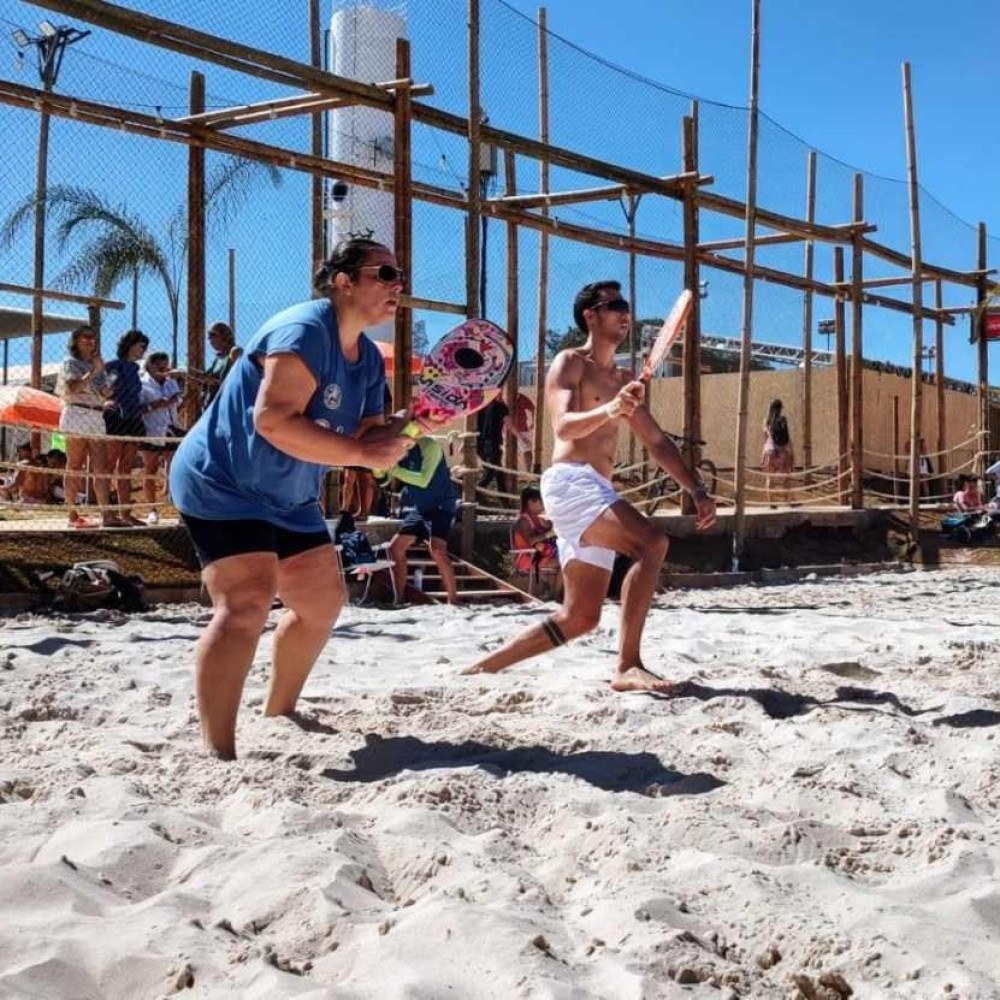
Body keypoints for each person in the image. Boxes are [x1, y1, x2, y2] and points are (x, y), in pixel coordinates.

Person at [169, 237, 416, 759]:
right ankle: (219, 753)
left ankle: (280, 713)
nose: (398, 285)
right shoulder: (305, 329)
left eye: (400, 276)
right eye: (386, 273)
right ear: (344, 282)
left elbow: (367, 442)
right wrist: (363, 452)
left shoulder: (368, 359)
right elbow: (274, 420)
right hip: (223, 481)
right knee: (246, 604)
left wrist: (415, 424)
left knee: (321, 604)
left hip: (289, 493)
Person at [464, 280, 716, 691]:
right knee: (651, 544)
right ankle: (628, 666)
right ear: (591, 316)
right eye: (615, 305)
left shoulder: (623, 378)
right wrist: (612, 408)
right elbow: (562, 425)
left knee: (580, 617)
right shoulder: (570, 362)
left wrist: (697, 489)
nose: (625, 313)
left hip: (596, 488)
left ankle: (482, 669)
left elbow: (656, 441)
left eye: (626, 305)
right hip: (571, 481)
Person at [54, 325, 115, 528]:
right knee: (75, 465)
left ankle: (106, 515)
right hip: (77, 412)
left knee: (101, 467)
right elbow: (72, 387)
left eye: (93, 337)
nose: (90, 341)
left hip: (96, 414)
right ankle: (72, 515)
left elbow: (104, 391)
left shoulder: (97, 364)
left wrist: (108, 391)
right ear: (76, 341)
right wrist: (94, 371)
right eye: (85, 337)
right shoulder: (70, 362)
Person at [387, 435, 459, 604]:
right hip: (420, 508)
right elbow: (385, 480)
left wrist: (392, 469)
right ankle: (399, 598)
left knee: (437, 550)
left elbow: (423, 480)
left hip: (442, 505)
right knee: (395, 547)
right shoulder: (397, 450)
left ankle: (454, 600)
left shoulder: (429, 446)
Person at [104, 329, 150, 526]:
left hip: (133, 419)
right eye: (141, 346)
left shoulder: (135, 369)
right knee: (109, 466)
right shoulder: (114, 366)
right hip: (116, 418)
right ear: (130, 345)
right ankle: (108, 513)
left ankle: (126, 513)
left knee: (125, 468)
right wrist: (104, 401)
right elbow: (106, 389)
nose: (144, 351)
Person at [138, 351, 183, 525]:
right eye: (160, 366)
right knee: (150, 469)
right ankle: (151, 509)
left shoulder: (171, 383)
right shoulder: (142, 384)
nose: (164, 370)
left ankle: (179, 509)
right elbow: (139, 409)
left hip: (172, 429)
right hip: (152, 430)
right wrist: (157, 405)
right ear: (149, 365)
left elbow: (176, 404)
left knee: (176, 469)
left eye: (166, 366)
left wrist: (177, 401)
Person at [174, 321, 243, 410]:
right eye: (209, 337)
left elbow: (238, 379)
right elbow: (204, 380)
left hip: (228, 404)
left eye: (213, 335)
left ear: (225, 336)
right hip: (213, 404)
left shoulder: (235, 352)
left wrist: (213, 382)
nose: (210, 340)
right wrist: (184, 375)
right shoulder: (218, 359)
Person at [512, 483, 562, 599]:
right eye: (541, 502)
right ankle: (553, 595)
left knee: (568, 557)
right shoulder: (523, 521)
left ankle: (553, 594)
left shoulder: (539, 519)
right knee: (565, 562)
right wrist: (550, 532)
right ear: (531, 502)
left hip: (542, 555)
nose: (543, 505)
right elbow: (531, 541)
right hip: (527, 558)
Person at [761, 398, 794, 505]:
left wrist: (762, 456)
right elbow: (787, 438)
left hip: (770, 451)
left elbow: (765, 439)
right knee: (786, 478)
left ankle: (772, 503)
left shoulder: (766, 421)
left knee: (770, 479)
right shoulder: (782, 420)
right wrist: (792, 453)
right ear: (780, 409)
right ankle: (788, 500)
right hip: (782, 452)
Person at [477, 395, 510, 498]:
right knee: (490, 474)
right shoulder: (501, 406)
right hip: (492, 444)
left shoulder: (479, 406)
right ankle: (473, 493)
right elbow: (509, 423)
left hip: (480, 444)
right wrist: (520, 436)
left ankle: (504, 500)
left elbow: (473, 425)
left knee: (499, 473)